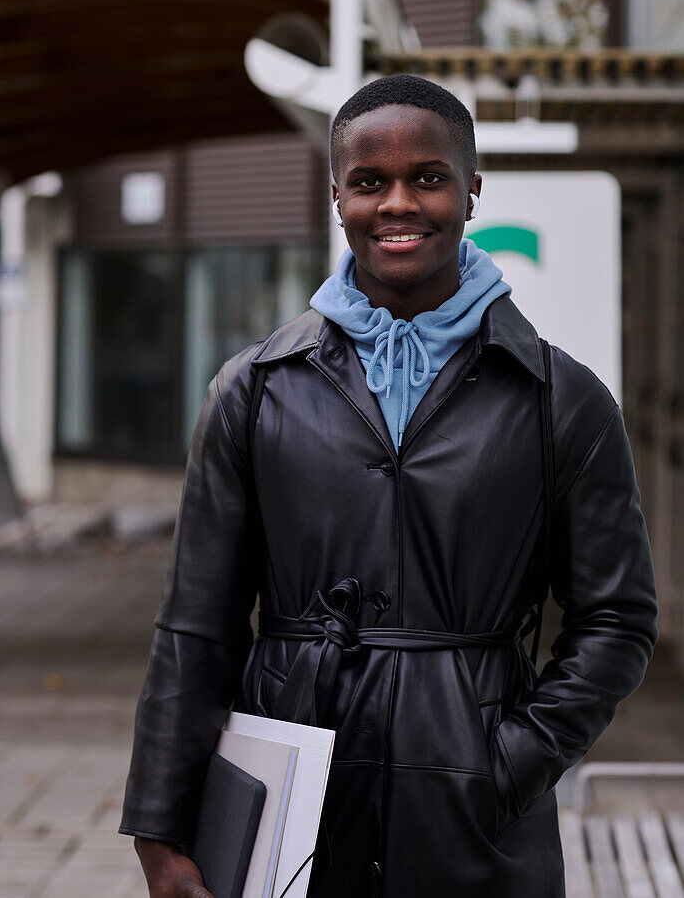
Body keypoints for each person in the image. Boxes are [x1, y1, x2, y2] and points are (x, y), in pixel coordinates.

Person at [120, 74, 658, 897]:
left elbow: (615, 620)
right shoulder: (254, 389)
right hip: (286, 795)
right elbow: (197, 625)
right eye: (370, 182)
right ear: (337, 196)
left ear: (471, 191)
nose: (397, 203)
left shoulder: (561, 399)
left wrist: (511, 761)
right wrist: (161, 825)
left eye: (427, 178)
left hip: (476, 812)